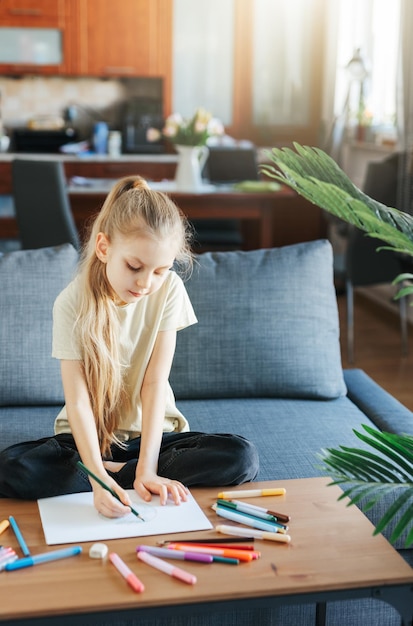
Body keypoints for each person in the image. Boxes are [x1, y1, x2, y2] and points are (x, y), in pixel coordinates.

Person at [0, 177, 258, 517]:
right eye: (134, 267)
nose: (145, 283)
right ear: (105, 248)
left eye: (160, 271)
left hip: (153, 440)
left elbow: (154, 383)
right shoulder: (71, 302)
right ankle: (107, 471)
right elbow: (77, 401)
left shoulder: (169, 291)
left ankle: (127, 472)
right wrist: (94, 475)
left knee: (241, 456)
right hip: (86, 440)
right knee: (11, 468)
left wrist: (147, 467)